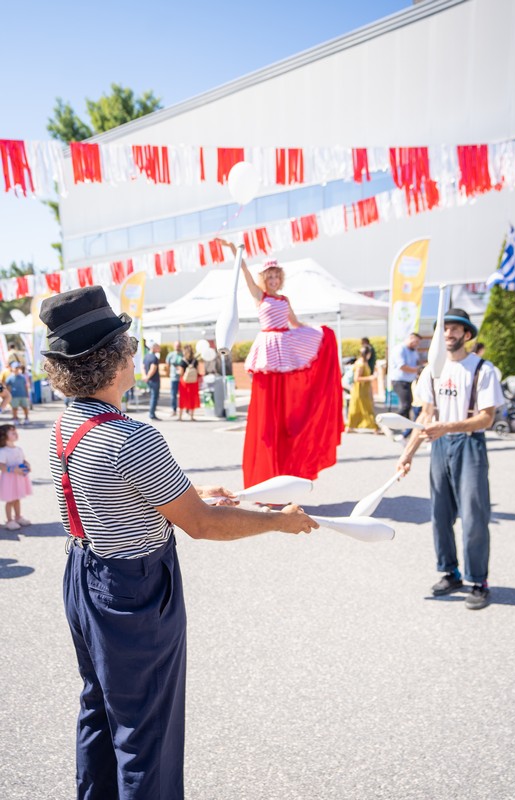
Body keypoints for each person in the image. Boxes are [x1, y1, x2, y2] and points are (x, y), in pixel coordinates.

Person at [38, 285, 317, 800]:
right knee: (147, 731)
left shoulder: (66, 425)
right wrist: (278, 521)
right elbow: (203, 525)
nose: (133, 352)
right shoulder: (131, 436)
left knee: (99, 709)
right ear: (113, 360)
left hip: (83, 573)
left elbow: (117, 495)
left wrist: (191, 493)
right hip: (133, 589)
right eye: (128, 345)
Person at [397, 308, 504, 611]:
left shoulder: (482, 369)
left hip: (469, 444)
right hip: (439, 446)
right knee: (440, 514)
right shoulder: (432, 370)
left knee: (473, 515)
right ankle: (451, 572)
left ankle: (479, 580)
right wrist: (407, 454)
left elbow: (486, 418)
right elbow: (426, 415)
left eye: (455, 329)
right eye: (444, 329)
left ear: (467, 334)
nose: (448, 334)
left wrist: (448, 426)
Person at [219, 240, 344, 487]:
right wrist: (236, 253)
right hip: (268, 352)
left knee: (286, 410)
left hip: (285, 349)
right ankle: (265, 476)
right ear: (265, 279)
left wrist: (320, 333)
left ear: (280, 278)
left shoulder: (285, 300)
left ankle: (285, 474)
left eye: (277, 276)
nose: (274, 280)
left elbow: (295, 324)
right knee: (267, 416)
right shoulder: (260, 296)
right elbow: (245, 273)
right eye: (270, 277)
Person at [0, 423, 32, 530]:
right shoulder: (3, 451)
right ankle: (9, 520)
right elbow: (2, 466)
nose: (16, 434)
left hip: (19, 478)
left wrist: (27, 464)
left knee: (17, 498)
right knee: (10, 500)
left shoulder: (18, 449)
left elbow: (23, 460)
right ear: (4, 436)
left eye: (16, 432)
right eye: (13, 433)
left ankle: (18, 517)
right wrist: (13, 470)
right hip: (9, 480)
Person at [389, 332, 422, 436]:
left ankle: (407, 430)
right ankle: (389, 424)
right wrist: (418, 369)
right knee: (405, 405)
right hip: (399, 381)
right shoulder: (400, 349)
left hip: (410, 381)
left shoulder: (413, 351)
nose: (417, 344)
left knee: (409, 405)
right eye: (416, 342)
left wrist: (420, 368)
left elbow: (417, 363)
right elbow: (402, 367)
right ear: (411, 338)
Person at [346, 346, 378, 432]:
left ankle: (350, 426)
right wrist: (370, 378)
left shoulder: (363, 363)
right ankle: (373, 427)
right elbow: (356, 378)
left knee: (358, 408)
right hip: (359, 390)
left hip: (363, 390)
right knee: (365, 408)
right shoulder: (360, 364)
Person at [177, 343, 200, 421]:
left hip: (184, 382)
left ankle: (180, 417)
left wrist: (178, 371)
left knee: (183, 398)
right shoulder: (195, 361)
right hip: (194, 382)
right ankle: (191, 416)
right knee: (192, 398)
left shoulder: (182, 361)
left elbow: (181, 373)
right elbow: (198, 371)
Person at [142, 341, 161, 420]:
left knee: (152, 396)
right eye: (157, 347)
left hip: (149, 380)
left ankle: (151, 413)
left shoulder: (146, 356)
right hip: (154, 380)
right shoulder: (154, 358)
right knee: (154, 397)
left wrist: (145, 376)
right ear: (153, 347)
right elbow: (153, 369)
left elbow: (143, 367)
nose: (159, 348)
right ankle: (152, 414)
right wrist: (147, 377)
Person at [166, 340, 183, 416]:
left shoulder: (183, 354)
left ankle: (185, 409)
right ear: (174, 346)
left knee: (183, 395)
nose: (177, 347)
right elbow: (167, 365)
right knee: (173, 395)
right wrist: (168, 374)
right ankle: (174, 410)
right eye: (176, 345)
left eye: (178, 345)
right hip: (174, 378)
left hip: (182, 378)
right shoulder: (170, 355)